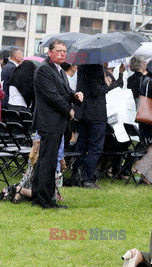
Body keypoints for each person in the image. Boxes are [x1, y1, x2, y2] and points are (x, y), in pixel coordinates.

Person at [32, 40, 83, 209]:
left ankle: (39, 196)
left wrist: (75, 96)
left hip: (56, 122)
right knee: (48, 161)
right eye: (59, 51)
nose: (62, 54)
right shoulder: (44, 69)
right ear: (50, 52)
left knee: (46, 160)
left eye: (64, 51)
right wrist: (69, 110)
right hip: (49, 121)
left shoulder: (59, 70)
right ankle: (46, 200)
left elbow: (65, 92)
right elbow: (52, 96)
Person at [74, 64, 111, 189]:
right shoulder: (96, 68)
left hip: (83, 111)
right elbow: (97, 91)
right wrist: (106, 84)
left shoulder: (82, 67)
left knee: (81, 145)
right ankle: (88, 179)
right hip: (96, 113)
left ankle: (76, 175)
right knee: (95, 147)